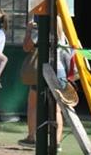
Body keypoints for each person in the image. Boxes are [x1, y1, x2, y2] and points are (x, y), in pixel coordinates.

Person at [19, 16, 64, 147]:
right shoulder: (63, 37)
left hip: (44, 71)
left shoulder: (41, 34)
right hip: (59, 70)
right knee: (56, 110)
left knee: (33, 105)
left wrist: (28, 30)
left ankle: (31, 137)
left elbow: (27, 47)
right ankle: (56, 142)